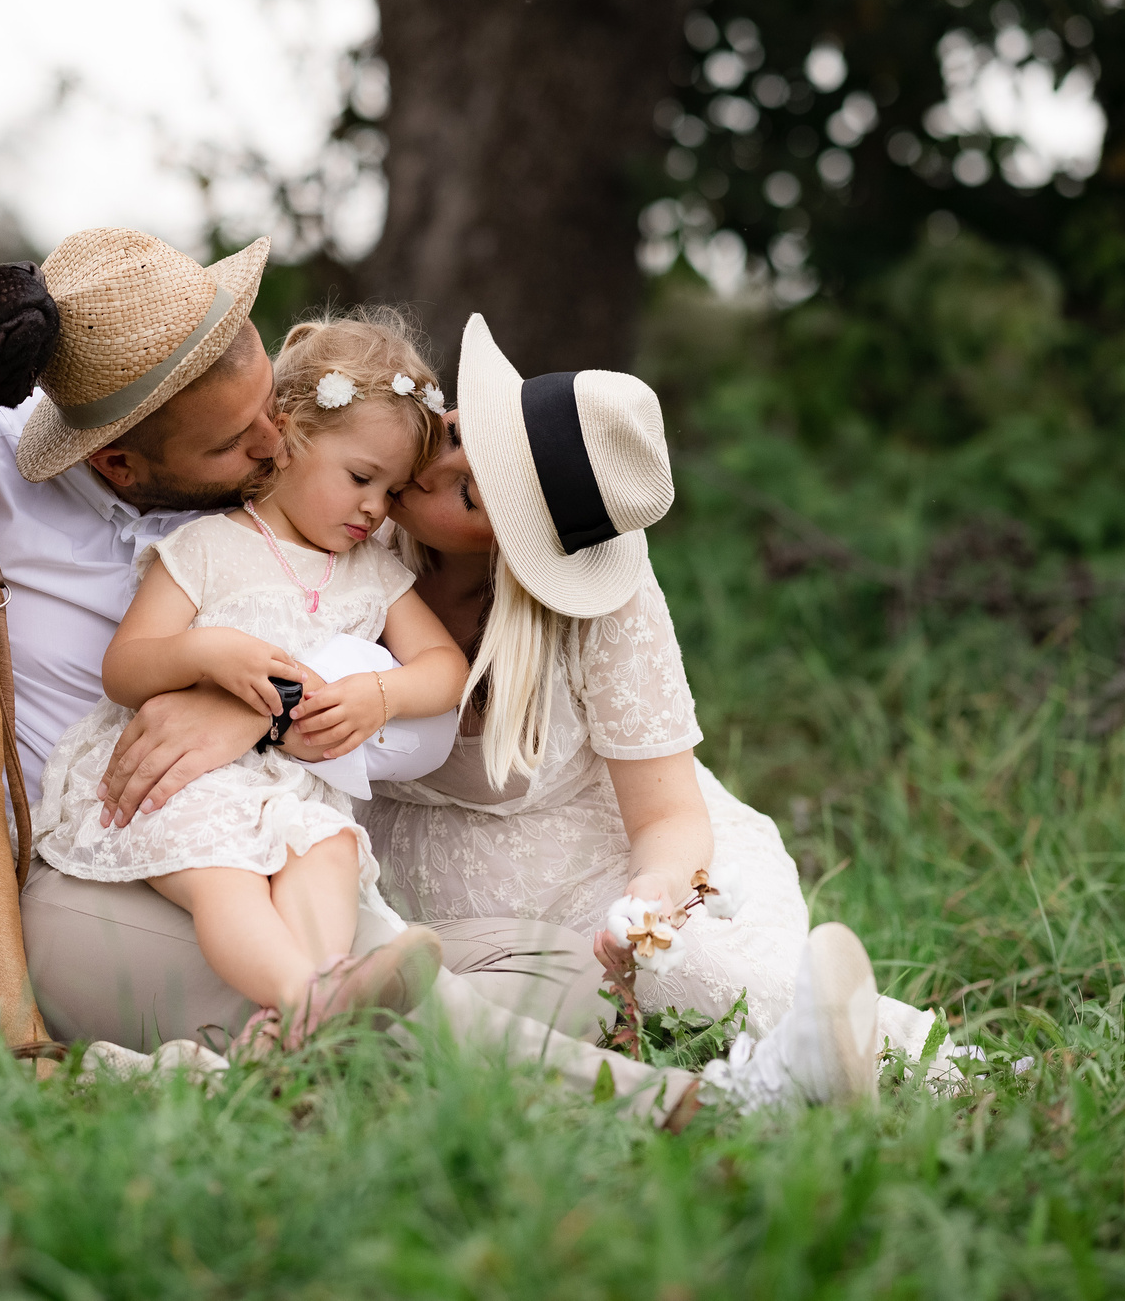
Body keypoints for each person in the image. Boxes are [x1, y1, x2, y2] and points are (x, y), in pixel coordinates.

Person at [0, 230, 707, 1126]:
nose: (277, 451)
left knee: (551, 969)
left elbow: (405, 684)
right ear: (119, 460)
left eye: (273, 410)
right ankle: (643, 1097)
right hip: (73, 871)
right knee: (350, 975)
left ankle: (229, 1063)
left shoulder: (312, 502)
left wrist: (250, 711)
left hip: (269, 846)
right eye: (238, 445)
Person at [361, 316, 941, 1104]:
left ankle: (911, 1065)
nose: (434, 465)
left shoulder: (600, 603)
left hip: (592, 857)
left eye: (467, 492)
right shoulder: (351, 516)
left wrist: (649, 899)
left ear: (512, 546)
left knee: (690, 969)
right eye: (462, 431)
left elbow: (668, 814)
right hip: (388, 871)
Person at [34, 313, 466, 1050]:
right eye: (361, 478)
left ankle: (305, 1011)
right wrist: (206, 651)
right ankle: (308, 1002)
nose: (375, 508)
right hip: (184, 779)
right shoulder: (205, 547)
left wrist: (379, 694)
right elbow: (126, 669)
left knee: (327, 849)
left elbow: (446, 670)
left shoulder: (375, 574)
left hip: (290, 789)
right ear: (289, 437)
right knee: (225, 875)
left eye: (393, 492)